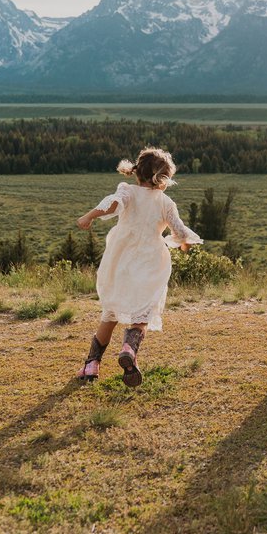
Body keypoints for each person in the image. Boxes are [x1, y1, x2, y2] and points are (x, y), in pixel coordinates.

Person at [74, 147, 202, 387]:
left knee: (111, 313)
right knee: (142, 313)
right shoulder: (166, 202)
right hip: (151, 261)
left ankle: (91, 365)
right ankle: (129, 350)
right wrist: (184, 243)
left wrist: (88, 216)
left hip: (122, 258)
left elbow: (111, 206)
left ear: (137, 173)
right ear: (162, 179)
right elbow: (179, 230)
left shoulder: (127, 192)